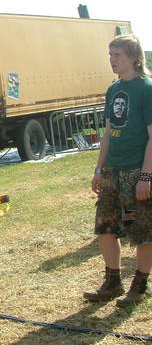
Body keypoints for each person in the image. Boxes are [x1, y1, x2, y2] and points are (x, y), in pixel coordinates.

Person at [85, 34, 152, 307]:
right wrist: (99, 169)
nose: (112, 60)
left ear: (133, 57)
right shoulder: (113, 90)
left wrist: (146, 176)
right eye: (110, 55)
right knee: (105, 227)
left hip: (136, 170)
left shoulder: (147, 89)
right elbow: (109, 133)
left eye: (117, 55)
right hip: (112, 170)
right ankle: (112, 282)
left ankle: (140, 285)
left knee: (142, 231)